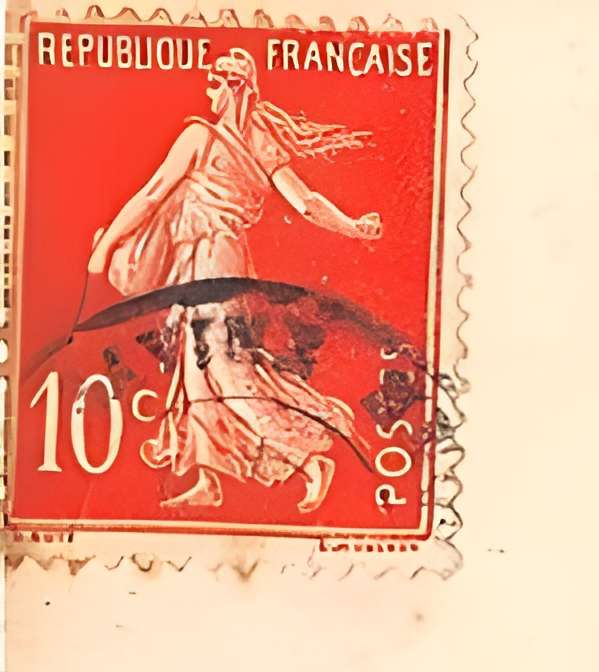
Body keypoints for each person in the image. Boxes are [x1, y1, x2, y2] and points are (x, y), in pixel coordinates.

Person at [83, 48, 384, 513]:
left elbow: (151, 195)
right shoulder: (258, 140)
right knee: (197, 370)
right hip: (219, 262)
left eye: (213, 82)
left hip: (211, 262)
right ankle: (209, 478)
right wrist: (354, 226)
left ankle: (307, 459)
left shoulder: (198, 136)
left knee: (223, 368)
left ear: (232, 85)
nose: (208, 91)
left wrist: (104, 249)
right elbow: (305, 203)